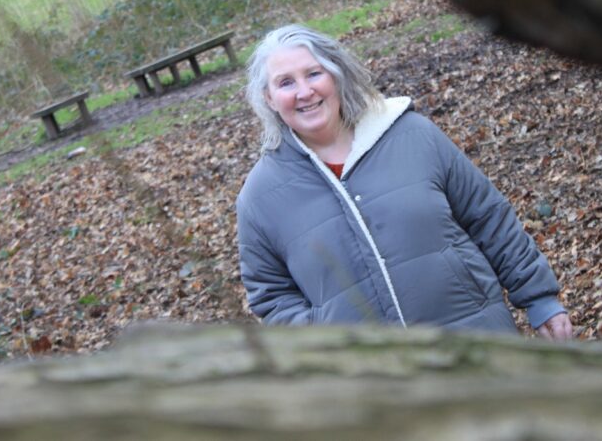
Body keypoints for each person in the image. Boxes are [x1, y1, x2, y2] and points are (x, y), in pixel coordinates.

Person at [236, 24, 573, 339]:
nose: (305, 91)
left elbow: (488, 218)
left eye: (313, 73)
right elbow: (273, 296)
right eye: (285, 83)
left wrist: (539, 297)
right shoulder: (260, 197)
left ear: (336, 76)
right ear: (268, 98)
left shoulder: (413, 136)